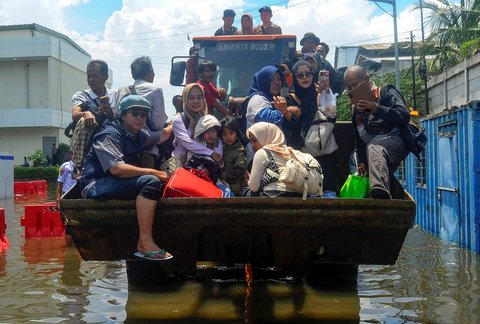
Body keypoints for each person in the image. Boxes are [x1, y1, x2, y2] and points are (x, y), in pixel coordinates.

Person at [79, 95, 173, 261]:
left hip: (116, 184)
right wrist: (154, 172)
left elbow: (162, 135)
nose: (139, 117)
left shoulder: (139, 135)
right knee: (151, 181)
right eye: (135, 113)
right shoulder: (109, 134)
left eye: (143, 114)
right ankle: (144, 242)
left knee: (161, 184)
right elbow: (116, 169)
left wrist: (176, 121)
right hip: (95, 185)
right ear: (122, 115)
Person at [344, 65, 410, 199]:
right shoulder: (356, 110)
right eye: (349, 88)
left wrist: (376, 109)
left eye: (355, 85)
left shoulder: (386, 93)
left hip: (395, 142)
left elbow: (404, 116)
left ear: (366, 79)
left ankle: (380, 193)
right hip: (372, 152)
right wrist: (362, 161)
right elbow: (359, 139)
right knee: (358, 161)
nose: (352, 90)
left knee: (374, 148)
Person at [288, 60, 339, 197]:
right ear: (294, 77)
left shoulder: (320, 93)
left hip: (326, 153)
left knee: (329, 193)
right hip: (304, 155)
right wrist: (287, 111)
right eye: (300, 75)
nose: (305, 77)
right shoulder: (290, 99)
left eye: (308, 73)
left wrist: (326, 91)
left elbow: (331, 114)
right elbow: (292, 127)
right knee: (307, 192)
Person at [115, 56, 171, 168]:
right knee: (150, 181)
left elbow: (117, 116)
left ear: (133, 74)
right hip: (147, 148)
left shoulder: (121, 90)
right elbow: (158, 124)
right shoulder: (155, 90)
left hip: (123, 145)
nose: (139, 117)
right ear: (151, 72)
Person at [70, 59, 116, 178]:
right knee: (83, 121)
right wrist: (86, 113)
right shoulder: (81, 95)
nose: (91, 80)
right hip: (91, 133)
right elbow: (75, 114)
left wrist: (110, 114)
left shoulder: (115, 95)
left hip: (111, 134)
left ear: (105, 77)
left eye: (95, 76)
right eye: (89, 76)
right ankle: (78, 166)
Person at [167, 83, 223, 174]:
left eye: (199, 97)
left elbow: (218, 141)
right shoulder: (178, 119)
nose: (196, 101)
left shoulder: (208, 120)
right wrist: (211, 153)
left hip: (204, 168)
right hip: (181, 168)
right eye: (191, 98)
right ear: (185, 99)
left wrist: (212, 162)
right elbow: (186, 142)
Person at [244, 122, 302, 197]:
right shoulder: (291, 152)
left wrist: (248, 180)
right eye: (250, 141)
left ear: (265, 136)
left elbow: (253, 187)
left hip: (273, 195)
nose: (252, 145)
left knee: (246, 192)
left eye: (255, 140)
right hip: (297, 195)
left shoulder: (262, 153)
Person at [244, 65, 300, 131]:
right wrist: (287, 110)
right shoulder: (258, 99)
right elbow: (267, 120)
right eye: (272, 79)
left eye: (279, 79)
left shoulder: (273, 99)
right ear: (264, 81)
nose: (277, 83)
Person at [221, 117, 248, 195]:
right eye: (224, 134)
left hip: (235, 188)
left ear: (237, 134)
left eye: (231, 133)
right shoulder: (221, 148)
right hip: (224, 185)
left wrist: (222, 176)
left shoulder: (239, 150)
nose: (228, 137)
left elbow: (239, 170)